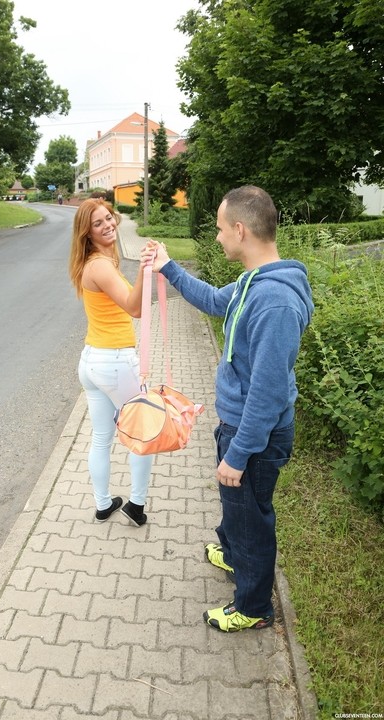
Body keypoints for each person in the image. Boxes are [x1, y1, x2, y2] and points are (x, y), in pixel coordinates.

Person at [144, 185, 314, 632]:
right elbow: (217, 304)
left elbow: (268, 392)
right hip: (239, 428)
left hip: (252, 435)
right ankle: (233, 551)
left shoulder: (274, 302)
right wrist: (168, 268)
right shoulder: (251, 282)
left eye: (220, 229)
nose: (217, 238)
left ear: (240, 230)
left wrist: (238, 454)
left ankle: (254, 607)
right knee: (238, 510)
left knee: (252, 520)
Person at [69, 198, 155, 527]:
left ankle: (104, 504)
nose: (107, 225)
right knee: (144, 433)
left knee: (102, 437)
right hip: (115, 362)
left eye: (109, 218)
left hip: (92, 361)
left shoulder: (97, 260)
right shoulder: (101, 265)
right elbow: (135, 308)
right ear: (86, 233)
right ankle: (136, 504)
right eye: (98, 223)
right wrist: (146, 268)